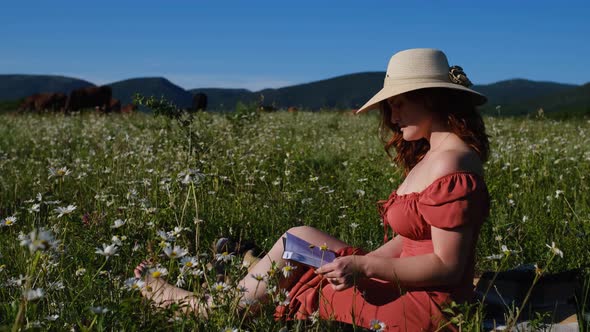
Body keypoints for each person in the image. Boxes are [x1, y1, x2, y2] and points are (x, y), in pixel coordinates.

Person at [134, 48, 491, 331]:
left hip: (426, 305)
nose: (392, 114)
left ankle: (209, 309)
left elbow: (447, 265)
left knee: (303, 273)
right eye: (389, 104)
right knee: (300, 239)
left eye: (399, 102)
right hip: (404, 281)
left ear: (430, 97)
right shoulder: (434, 155)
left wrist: (364, 267)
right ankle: (231, 296)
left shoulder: (450, 162)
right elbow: (414, 237)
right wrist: (364, 262)